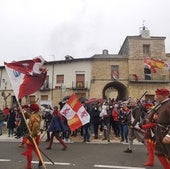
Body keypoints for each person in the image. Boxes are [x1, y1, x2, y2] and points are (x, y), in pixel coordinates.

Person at [21, 103, 43, 169]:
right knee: (35, 148)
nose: (29, 109)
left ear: (32, 109)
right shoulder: (37, 114)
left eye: (30, 108)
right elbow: (31, 116)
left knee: (29, 150)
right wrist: (24, 112)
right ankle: (40, 160)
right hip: (37, 135)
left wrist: (31, 136)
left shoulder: (34, 116)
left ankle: (28, 166)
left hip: (33, 135)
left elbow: (35, 126)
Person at [154, 88, 170, 169]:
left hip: (166, 132)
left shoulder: (169, 104)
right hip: (159, 132)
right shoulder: (162, 104)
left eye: (158, 95)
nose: (156, 97)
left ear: (164, 96)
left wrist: (169, 135)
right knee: (159, 153)